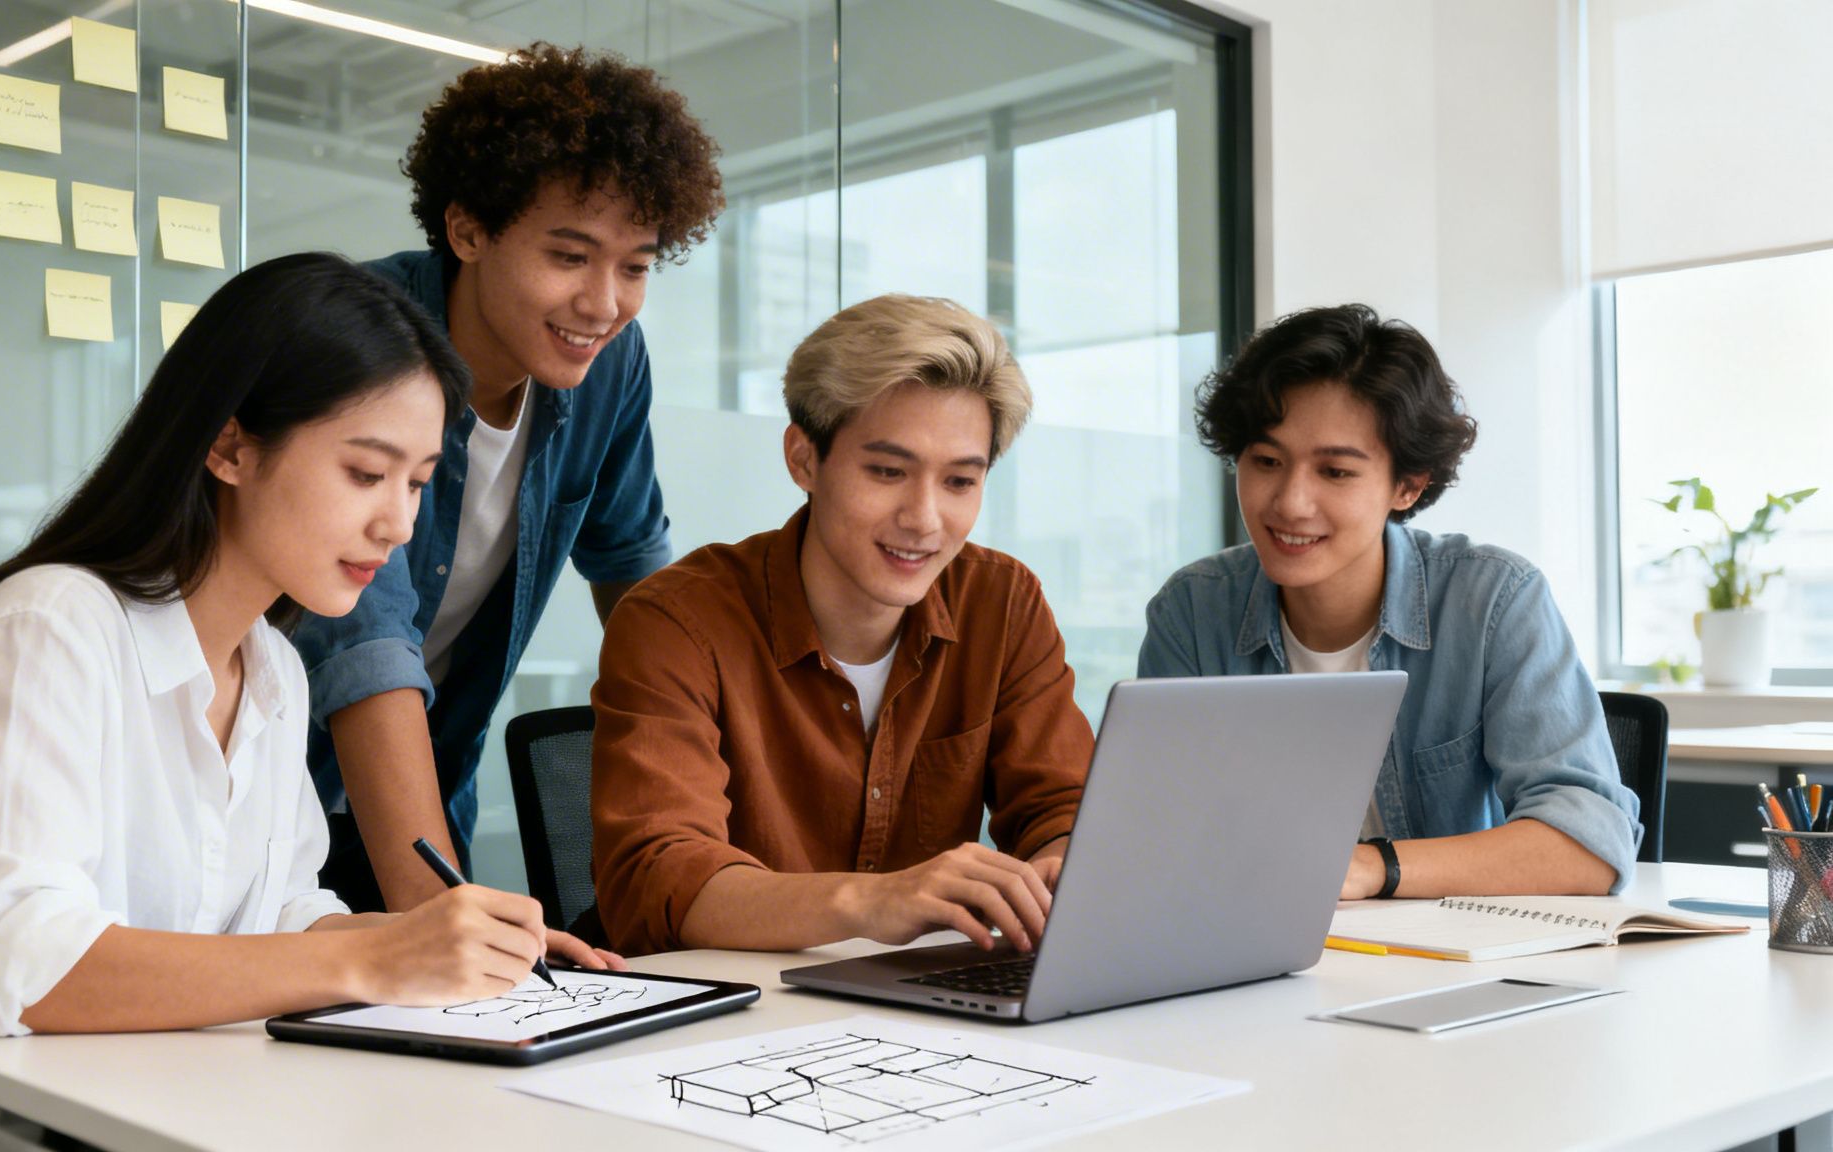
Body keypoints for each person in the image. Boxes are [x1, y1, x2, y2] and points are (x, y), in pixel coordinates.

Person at [0, 255, 607, 1146]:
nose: (398, 524)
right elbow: (9, 972)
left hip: (170, 1105)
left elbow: (277, 916)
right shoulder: (52, 626)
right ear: (231, 445)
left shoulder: (273, 669)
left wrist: (439, 943)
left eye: (419, 481)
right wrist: (368, 955)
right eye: (366, 473)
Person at [291, 43, 726, 916]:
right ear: (469, 231)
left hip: (429, 778)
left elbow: (635, 570)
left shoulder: (607, 362)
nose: (604, 303)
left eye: (635, 265)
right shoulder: (362, 342)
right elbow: (367, 643)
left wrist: (705, 817)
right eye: (570, 257)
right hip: (266, 787)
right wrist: (439, 913)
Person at [591, 294, 1091, 956]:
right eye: (887, 472)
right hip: (730, 1021)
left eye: (960, 482)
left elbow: (1065, 806)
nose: (924, 518)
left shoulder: (1002, 603)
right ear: (804, 459)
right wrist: (871, 902)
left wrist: (1065, 862)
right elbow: (657, 879)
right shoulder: (676, 622)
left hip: (925, 1013)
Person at [1137, 304, 1640, 900]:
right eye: (1266, 462)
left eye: (1336, 472)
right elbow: (1151, 835)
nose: (1291, 503)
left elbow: (1591, 844)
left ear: (1408, 485)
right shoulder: (1193, 612)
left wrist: (1371, 868)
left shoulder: (1492, 601)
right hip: (1252, 952)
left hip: (1444, 961)